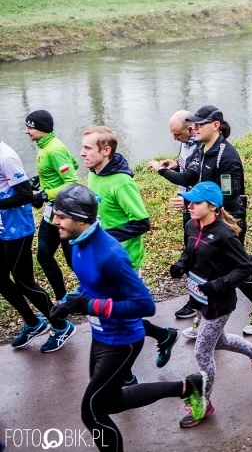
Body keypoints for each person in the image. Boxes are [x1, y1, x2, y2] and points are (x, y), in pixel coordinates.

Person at [49, 184, 210, 450]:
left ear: (81, 219)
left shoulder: (109, 254)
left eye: (61, 216)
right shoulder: (77, 244)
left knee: (92, 413)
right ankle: (187, 386)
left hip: (122, 341)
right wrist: (69, 302)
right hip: (101, 337)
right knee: (110, 402)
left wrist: (90, 305)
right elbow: (92, 284)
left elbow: (145, 306)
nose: (55, 221)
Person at [169, 182, 252, 427]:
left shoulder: (226, 235)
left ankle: (204, 404)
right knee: (221, 340)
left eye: (196, 202)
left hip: (219, 302)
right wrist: (181, 264)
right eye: (189, 201)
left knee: (203, 352)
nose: (190, 206)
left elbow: (245, 267)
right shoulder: (190, 226)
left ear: (213, 206)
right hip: (198, 297)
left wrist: (219, 285)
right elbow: (189, 251)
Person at [164, 105, 252, 336]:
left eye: (199, 124)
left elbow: (228, 194)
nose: (194, 127)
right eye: (193, 124)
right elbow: (191, 177)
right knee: (202, 266)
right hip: (207, 216)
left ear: (215, 126)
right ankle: (202, 317)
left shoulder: (228, 156)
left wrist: (190, 203)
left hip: (228, 218)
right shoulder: (200, 149)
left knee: (234, 270)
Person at [82, 126, 178, 375]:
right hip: (102, 257)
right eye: (82, 147)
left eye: (88, 148)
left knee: (117, 316)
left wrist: (104, 238)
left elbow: (141, 222)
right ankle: (163, 335)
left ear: (106, 150)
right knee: (115, 315)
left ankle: (124, 373)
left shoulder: (122, 183)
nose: (82, 153)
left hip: (123, 259)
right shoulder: (94, 173)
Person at [1, 140, 76, 353]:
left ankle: (61, 325)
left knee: (24, 281)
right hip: (1, 226)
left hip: (17, 228)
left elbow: (25, 195)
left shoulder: (6, 157)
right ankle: (33, 323)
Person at [146, 110, 201, 320]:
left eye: (177, 135)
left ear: (190, 129)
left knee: (195, 252)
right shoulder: (186, 141)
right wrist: (176, 164)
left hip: (199, 205)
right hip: (188, 203)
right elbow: (186, 167)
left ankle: (195, 300)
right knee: (193, 248)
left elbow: (189, 177)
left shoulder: (200, 144)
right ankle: (245, 263)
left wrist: (161, 170)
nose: (174, 138)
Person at [24, 110, 80, 301]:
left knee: (74, 261)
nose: (26, 131)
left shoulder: (54, 149)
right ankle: (62, 299)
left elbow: (73, 182)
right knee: (44, 256)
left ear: (42, 128)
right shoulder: (45, 146)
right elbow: (74, 163)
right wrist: (41, 179)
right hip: (51, 212)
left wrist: (46, 193)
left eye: (30, 127)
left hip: (66, 212)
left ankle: (96, 293)